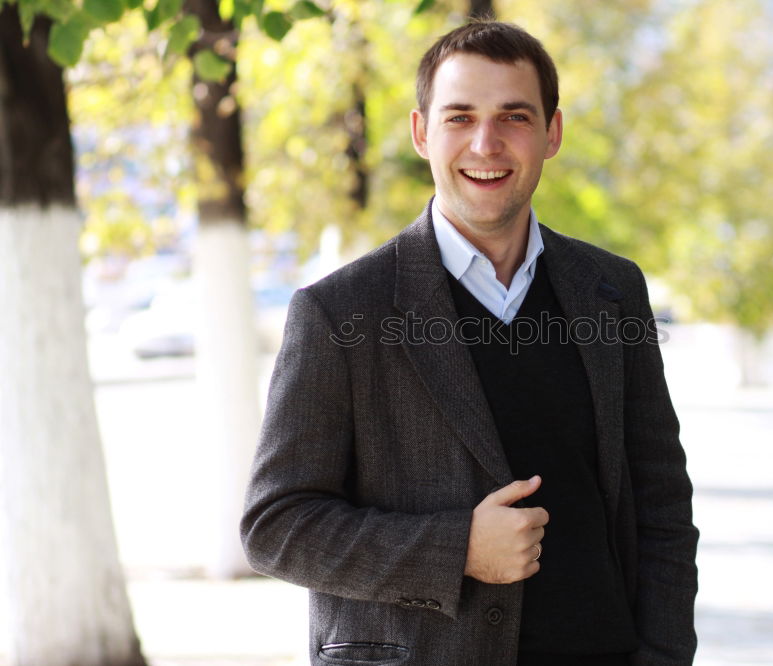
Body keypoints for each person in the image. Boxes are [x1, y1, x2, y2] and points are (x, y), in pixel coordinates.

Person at [241, 20, 698, 666]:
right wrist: (457, 549)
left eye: (514, 116)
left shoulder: (612, 290)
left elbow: (661, 503)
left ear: (552, 133)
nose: (487, 143)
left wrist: (663, 654)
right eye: (460, 117)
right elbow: (275, 527)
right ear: (422, 132)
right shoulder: (337, 313)